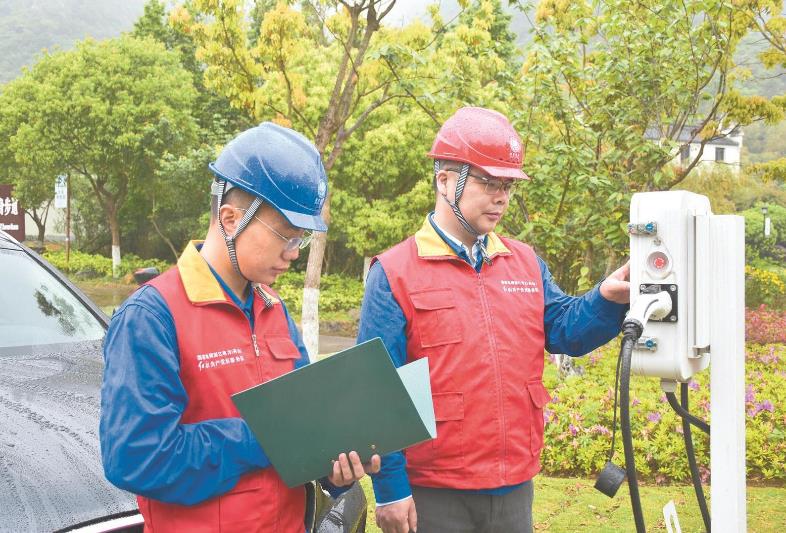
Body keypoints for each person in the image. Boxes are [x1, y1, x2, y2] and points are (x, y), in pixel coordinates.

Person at [357, 107, 630, 533]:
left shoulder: (524, 262)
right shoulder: (394, 272)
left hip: (514, 489)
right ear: (444, 181)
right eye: (489, 182)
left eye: (508, 185)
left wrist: (607, 298)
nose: (501, 197)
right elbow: (376, 388)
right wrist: (391, 490)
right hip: (434, 493)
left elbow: (565, 330)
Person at [100, 122, 380, 533]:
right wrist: (261, 436)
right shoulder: (153, 316)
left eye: (300, 240)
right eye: (286, 237)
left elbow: (307, 423)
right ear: (230, 219)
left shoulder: (274, 310)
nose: (293, 254)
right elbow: (135, 457)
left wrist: (334, 470)